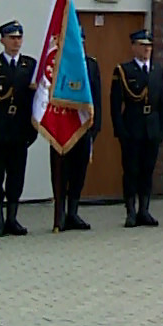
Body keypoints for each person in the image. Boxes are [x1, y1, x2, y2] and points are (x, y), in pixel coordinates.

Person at [0, 20, 38, 237]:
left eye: (19, 38)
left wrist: (33, 131)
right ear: (2, 40)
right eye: (12, 38)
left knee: (16, 177)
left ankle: (12, 218)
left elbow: (36, 101)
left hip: (20, 132)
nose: (16, 42)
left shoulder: (30, 66)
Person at [110, 30, 163, 228]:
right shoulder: (124, 71)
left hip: (152, 128)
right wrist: (121, 131)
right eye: (142, 46)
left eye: (149, 46)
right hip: (132, 127)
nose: (146, 50)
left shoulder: (157, 70)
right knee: (131, 171)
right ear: (133, 47)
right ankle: (131, 211)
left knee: (147, 171)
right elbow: (116, 105)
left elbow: (162, 103)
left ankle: (145, 209)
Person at [49, 55, 104, 232]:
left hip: (83, 128)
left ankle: (73, 212)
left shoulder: (91, 64)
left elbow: (96, 96)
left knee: (79, 173)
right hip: (62, 128)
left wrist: (95, 127)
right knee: (61, 173)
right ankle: (61, 214)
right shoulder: (58, 62)